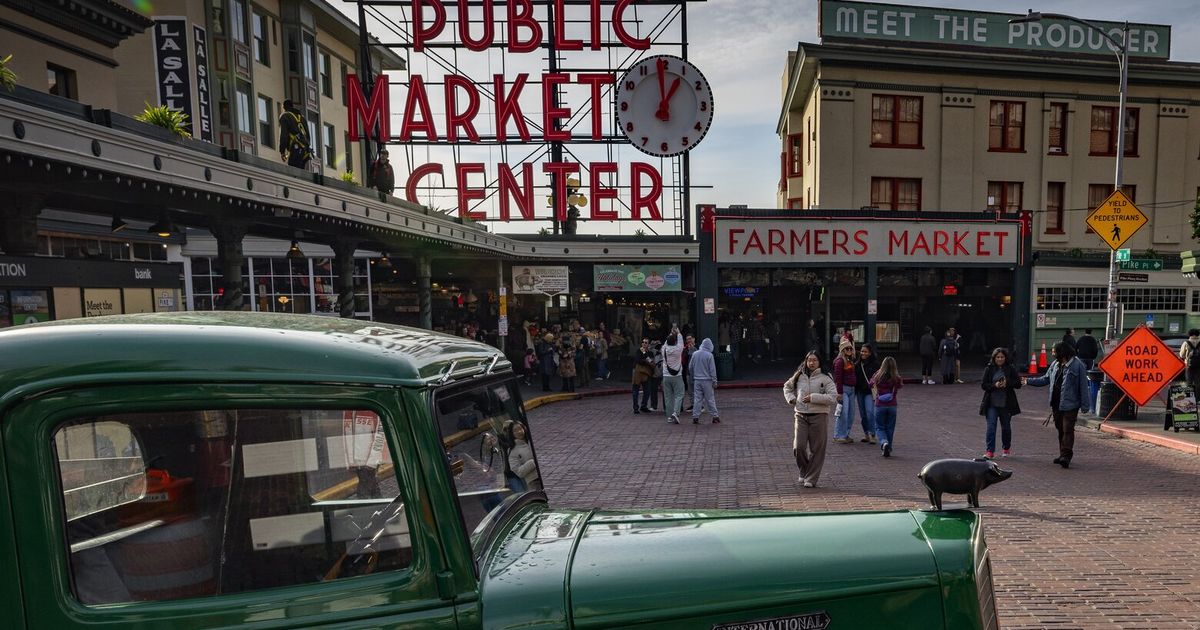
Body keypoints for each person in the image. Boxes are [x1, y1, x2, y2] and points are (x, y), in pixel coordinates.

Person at [1023, 342, 1091, 469]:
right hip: (1056, 403)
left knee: (1068, 429)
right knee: (1060, 429)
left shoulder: (1078, 365)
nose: (1052, 354)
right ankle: (1062, 454)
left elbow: (1083, 386)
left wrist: (1085, 405)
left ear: (1062, 352)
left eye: (1054, 351)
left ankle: (1066, 455)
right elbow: (1045, 379)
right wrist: (1028, 381)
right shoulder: (1055, 364)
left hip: (1070, 404)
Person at [784, 351, 837, 488]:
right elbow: (787, 387)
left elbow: (832, 397)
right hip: (800, 415)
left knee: (817, 448)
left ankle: (811, 478)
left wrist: (814, 398)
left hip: (819, 415)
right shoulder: (799, 375)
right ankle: (804, 470)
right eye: (809, 360)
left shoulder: (826, 377)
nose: (811, 363)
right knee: (799, 447)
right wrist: (791, 399)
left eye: (814, 360)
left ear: (819, 362)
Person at [979, 348, 1022, 459]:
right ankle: (990, 451)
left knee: (1006, 427)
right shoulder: (989, 369)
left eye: (1002, 357)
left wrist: (1007, 383)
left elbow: (1018, 384)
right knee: (991, 427)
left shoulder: (1010, 368)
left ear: (1005, 358)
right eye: (998, 357)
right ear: (994, 358)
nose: (1000, 359)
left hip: (1006, 404)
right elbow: (984, 385)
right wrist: (995, 385)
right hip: (992, 403)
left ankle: (1006, 448)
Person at [869, 356, 904, 457]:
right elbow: (900, 385)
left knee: (879, 427)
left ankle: (884, 442)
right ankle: (889, 447)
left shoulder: (878, 375)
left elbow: (870, 383)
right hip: (892, 404)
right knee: (890, 427)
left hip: (880, 404)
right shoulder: (896, 377)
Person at [831, 340, 858, 444]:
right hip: (844, 389)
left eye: (851, 348)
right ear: (842, 350)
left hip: (852, 389)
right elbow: (838, 378)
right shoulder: (839, 361)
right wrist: (839, 393)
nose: (849, 350)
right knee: (843, 412)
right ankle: (838, 435)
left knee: (851, 413)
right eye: (847, 348)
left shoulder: (850, 360)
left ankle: (845, 434)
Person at [853, 343, 880, 444]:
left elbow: (879, 377)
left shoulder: (875, 364)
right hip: (860, 391)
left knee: (870, 412)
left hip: (869, 392)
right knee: (863, 414)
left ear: (870, 353)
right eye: (862, 351)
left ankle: (872, 434)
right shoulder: (857, 364)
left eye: (865, 351)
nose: (863, 353)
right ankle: (866, 434)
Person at [690, 338, 720, 424]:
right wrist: (714, 381)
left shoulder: (695, 354)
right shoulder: (709, 355)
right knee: (710, 399)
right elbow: (712, 370)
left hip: (697, 380)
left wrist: (694, 375)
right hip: (707, 380)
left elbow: (690, 367)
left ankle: (695, 416)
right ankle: (715, 416)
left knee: (697, 399)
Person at [505, 422, 542, 491]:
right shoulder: (512, 450)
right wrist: (532, 462)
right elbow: (518, 472)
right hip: (534, 482)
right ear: (511, 433)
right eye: (515, 430)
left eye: (520, 428)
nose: (519, 432)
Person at [277, 99, 313, 169]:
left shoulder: (285, 116)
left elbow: (284, 135)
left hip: (296, 149)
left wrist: (282, 151)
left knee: (292, 171)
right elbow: (308, 136)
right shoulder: (302, 118)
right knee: (301, 172)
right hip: (305, 150)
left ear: (284, 107)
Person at [661, 330, 686, 424]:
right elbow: (681, 342)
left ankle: (669, 416)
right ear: (675, 342)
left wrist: (671, 334)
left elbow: (666, 343)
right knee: (679, 394)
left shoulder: (664, 349)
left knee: (668, 397)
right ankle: (676, 412)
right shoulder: (678, 349)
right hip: (677, 376)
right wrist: (678, 333)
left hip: (666, 376)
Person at [632, 338, 653, 414]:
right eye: (643, 342)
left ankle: (644, 406)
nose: (644, 343)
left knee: (647, 391)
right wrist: (645, 361)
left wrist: (644, 353)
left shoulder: (650, 353)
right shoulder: (638, 351)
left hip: (646, 373)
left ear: (648, 345)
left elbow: (651, 361)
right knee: (635, 391)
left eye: (646, 342)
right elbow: (638, 360)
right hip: (638, 373)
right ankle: (635, 408)